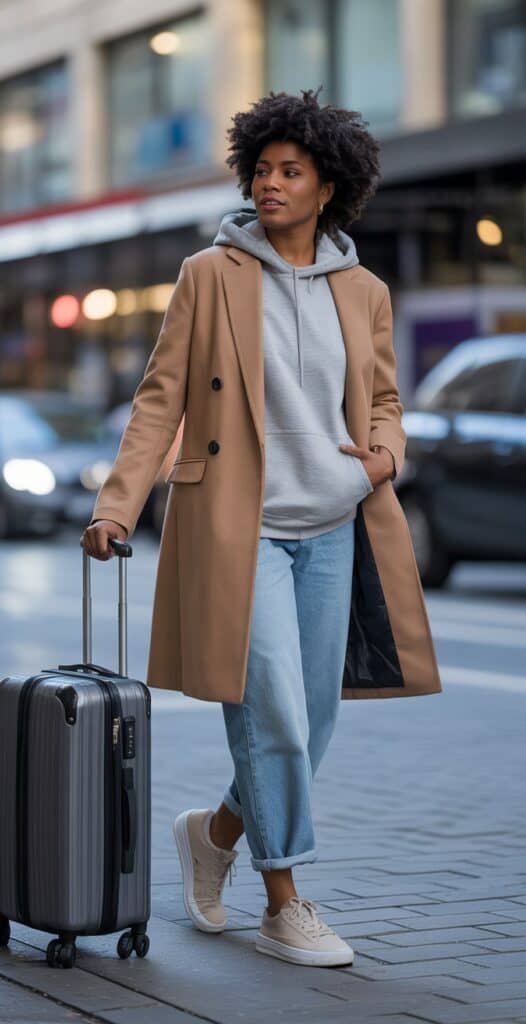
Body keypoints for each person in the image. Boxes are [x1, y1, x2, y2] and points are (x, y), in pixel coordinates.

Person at [81, 86, 441, 969]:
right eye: (263, 170)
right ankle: (285, 902)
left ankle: (214, 835)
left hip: (333, 523)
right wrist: (117, 504)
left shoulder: (365, 291)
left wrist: (382, 457)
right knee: (272, 711)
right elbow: (160, 399)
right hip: (240, 531)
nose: (271, 184)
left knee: (310, 721)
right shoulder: (210, 275)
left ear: (329, 188)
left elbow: (386, 398)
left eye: (292, 172)